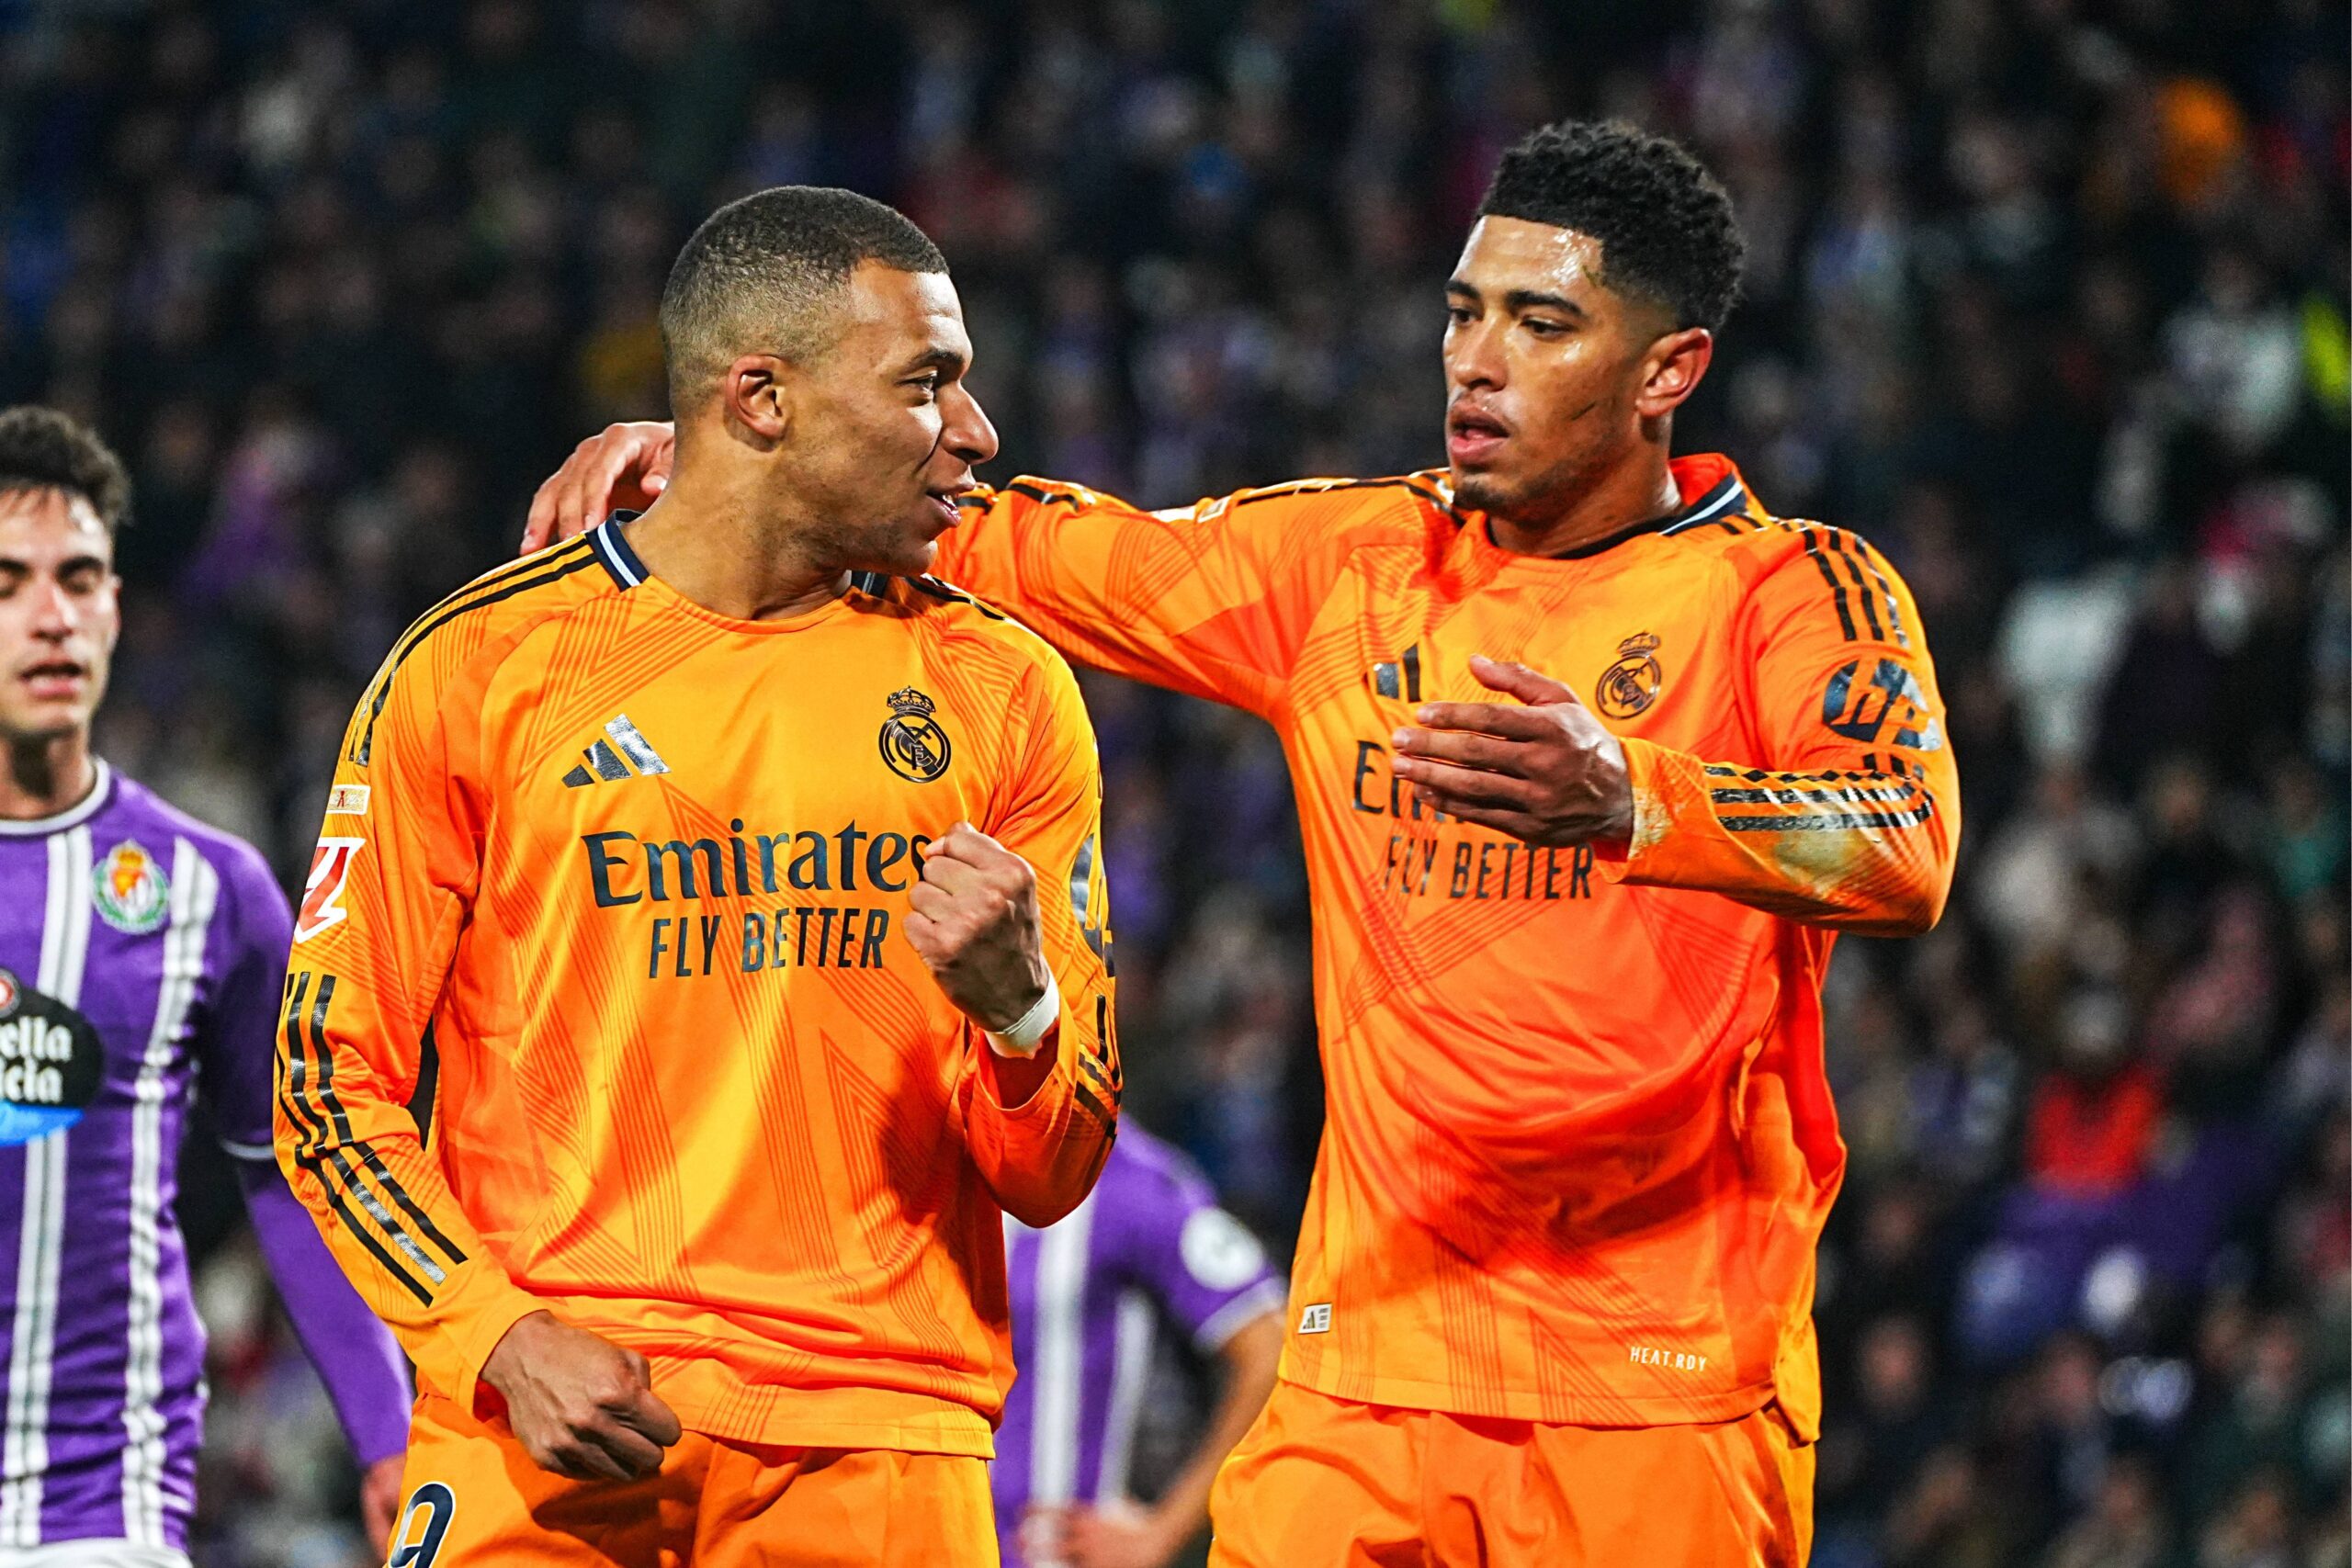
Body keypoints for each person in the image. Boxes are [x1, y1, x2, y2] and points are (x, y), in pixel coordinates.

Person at [529, 120, 1961, 1565]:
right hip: (1360, 1386)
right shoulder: (1353, 567)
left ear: (1669, 370)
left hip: (1658, 1392)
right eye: (1463, 311)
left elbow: (1905, 838)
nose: (1475, 359)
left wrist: (1638, 798)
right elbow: (1033, 545)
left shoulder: (1788, 587)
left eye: (1542, 324)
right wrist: (740, 467)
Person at [278, 187, 1118, 1564]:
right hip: (557, 1419)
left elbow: (1054, 1168)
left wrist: (1021, 1011)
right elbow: (327, 1082)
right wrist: (498, 1336)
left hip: (883, 1443)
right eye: (928, 383)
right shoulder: (480, 666)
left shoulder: (1002, 686)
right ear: (762, 399)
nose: (977, 431)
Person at [0, 406, 411, 1565]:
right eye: (9, 581)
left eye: (80, 579)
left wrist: (385, 1434)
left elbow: (286, 1173)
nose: (51, 614)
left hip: (97, 1508)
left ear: (117, 609)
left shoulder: (206, 890)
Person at [998, 1123, 1283, 1568]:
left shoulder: (1135, 1182)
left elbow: (1269, 1345)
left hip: (1053, 1553)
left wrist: (1163, 1532)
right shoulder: (937, 1165)